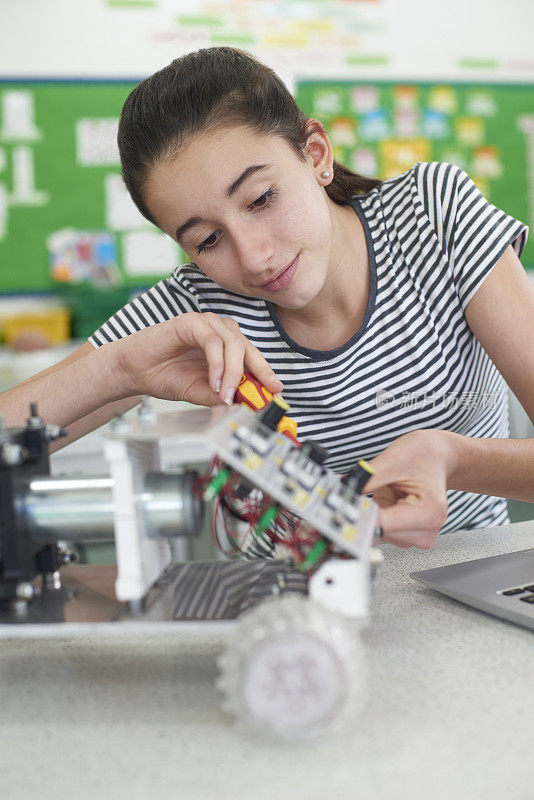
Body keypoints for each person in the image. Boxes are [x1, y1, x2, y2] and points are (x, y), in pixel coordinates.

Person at [2, 47, 533, 550]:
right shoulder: (199, 308)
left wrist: (454, 459)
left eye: (261, 198)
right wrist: (115, 368)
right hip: (293, 607)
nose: (254, 258)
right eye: (206, 240)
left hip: (466, 583)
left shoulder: (433, 214)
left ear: (316, 155)